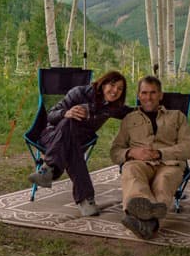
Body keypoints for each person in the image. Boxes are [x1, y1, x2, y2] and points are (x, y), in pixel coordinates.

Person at [28, 70, 132, 217]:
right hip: (52, 134)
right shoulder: (79, 93)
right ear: (103, 84)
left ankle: (49, 168)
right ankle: (86, 199)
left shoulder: (113, 106)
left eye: (120, 89)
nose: (115, 91)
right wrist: (66, 113)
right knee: (70, 122)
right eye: (112, 85)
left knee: (72, 145)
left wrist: (152, 109)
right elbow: (51, 115)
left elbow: (131, 112)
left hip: (78, 140)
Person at [110, 75, 190, 239]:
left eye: (153, 93)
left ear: (161, 95)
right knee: (131, 171)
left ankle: (141, 219)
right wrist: (130, 153)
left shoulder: (177, 116)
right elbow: (115, 151)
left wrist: (161, 153)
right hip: (139, 162)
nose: (148, 97)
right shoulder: (129, 119)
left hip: (169, 163)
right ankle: (148, 214)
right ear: (138, 95)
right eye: (144, 93)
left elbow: (189, 148)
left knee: (164, 181)